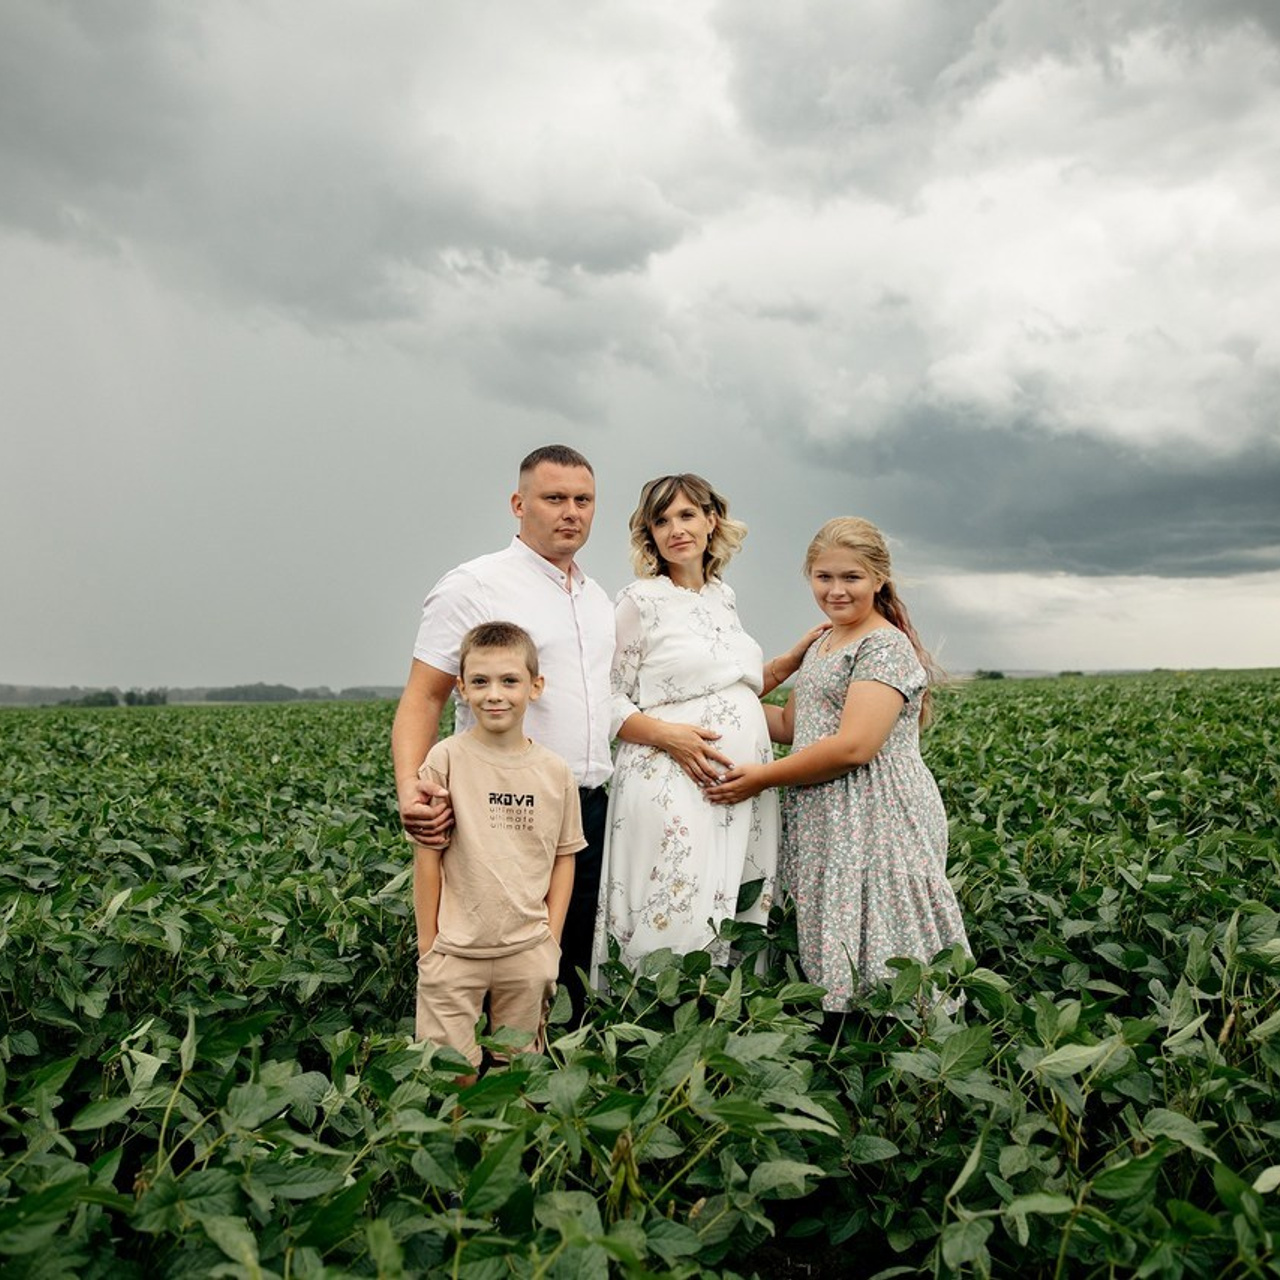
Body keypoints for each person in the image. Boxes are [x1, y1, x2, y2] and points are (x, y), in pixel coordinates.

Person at [706, 517, 970, 1010]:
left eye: (851, 577)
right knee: (837, 924)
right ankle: (845, 1032)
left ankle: (910, 1049)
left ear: (878, 579)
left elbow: (854, 747)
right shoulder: (826, 642)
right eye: (824, 577)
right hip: (826, 808)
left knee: (886, 928)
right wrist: (701, 711)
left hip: (876, 810)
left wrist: (760, 779)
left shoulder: (882, 645)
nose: (836, 590)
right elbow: (791, 726)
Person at [392, 445, 614, 1016]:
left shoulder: (597, 598)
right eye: (554, 498)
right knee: (491, 960)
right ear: (519, 504)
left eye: (583, 500)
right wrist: (412, 792)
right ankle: (478, 1087)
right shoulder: (474, 585)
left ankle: (547, 1082)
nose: (571, 511)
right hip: (498, 804)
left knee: (566, 966)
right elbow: (424, 696)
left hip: (587, 806)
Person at [594, 474, 825, 970]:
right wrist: (669, 737)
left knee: (734, 904)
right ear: (649, 534)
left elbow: (729, 687)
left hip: (742, 786)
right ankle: (653, 1016)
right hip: (669, 776)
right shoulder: (639, 601)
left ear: (710, 520)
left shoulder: (724, 597)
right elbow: (606, 697)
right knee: (677, 900)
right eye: (661, 520)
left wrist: (794, 660)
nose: (675, 529)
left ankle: (727, 1021)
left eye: (686, 515)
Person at [413, 622, 584, 1071]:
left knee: (518, 1074)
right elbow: (427, 857)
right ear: (461, 689)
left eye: (510, 681)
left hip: (527, 953)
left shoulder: (555, 772)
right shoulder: (444, 760)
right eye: (480, 682)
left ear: (535, 686)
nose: (495, 694)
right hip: (453, 952)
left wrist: (551, 941)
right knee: (450, 1075)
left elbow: (564, 859)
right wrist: (429, 948)